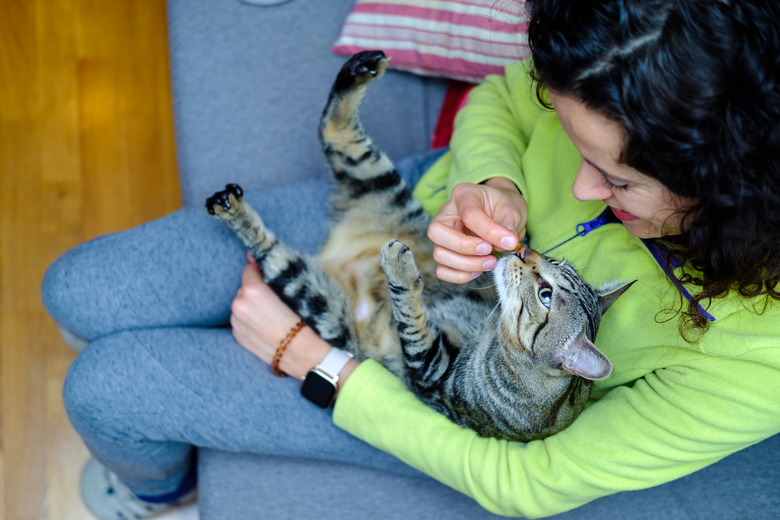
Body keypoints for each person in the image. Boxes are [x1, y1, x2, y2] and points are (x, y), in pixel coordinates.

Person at [42, 0, 780, 518]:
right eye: (572, 142)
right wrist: (493, 182)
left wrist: (318, 365)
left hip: (438, 388)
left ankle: (159, 495)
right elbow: (502, 98)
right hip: (413, 220)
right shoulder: (636, 66)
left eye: (618, 181)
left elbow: (528, 482)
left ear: (731, 191)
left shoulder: (758, 359)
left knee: (106, 387)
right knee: (75, 291)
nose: (585, 190)